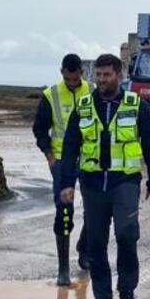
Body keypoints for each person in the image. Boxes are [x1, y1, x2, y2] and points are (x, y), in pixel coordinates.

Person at [58, 53, 150, 299]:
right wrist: (67, 183)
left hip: (124, 183)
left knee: (127, 236)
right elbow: (70, 149)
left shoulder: (136, 105)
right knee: (96, 243)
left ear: (120, 75)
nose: (102, 80)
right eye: (98, 75)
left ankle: (127, 295)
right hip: (92, 184)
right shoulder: (83, 107)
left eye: (107, 75)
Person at [33, 53, 92, 286]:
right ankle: (63, 268)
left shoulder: (93, 90)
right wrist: (50, 157)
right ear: (62, 73)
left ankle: (84, 248)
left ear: (81, 74)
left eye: (75, 79)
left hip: (90, 159)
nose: (72, 83)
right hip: (61, 161)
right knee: (64, 211)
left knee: (94, 209)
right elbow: (39, 130)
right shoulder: (51, 95)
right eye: (68, 79)